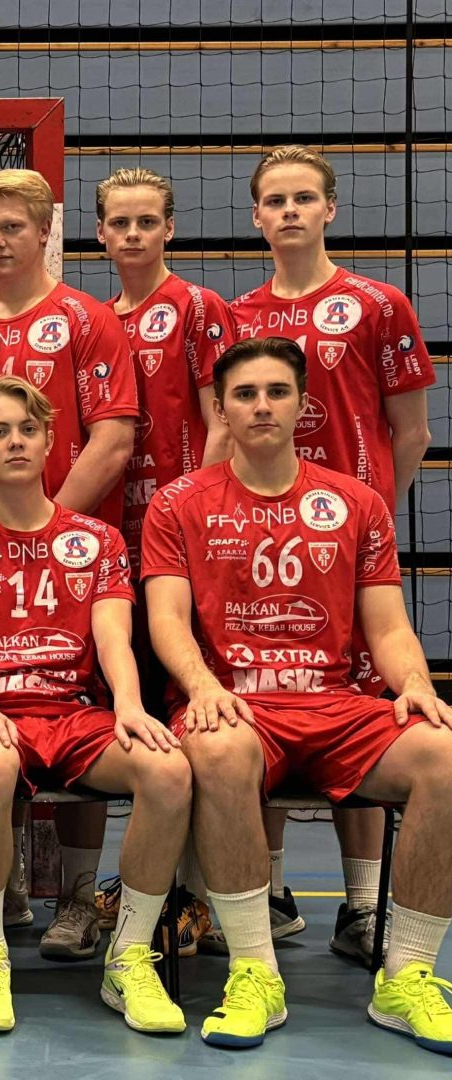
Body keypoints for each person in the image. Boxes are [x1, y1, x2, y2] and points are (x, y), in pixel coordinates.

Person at [144, 335, 452, 1054]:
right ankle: (255, 973)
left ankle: (407, 978)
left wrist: (415, 683)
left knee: (444, 755)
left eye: (277, 392)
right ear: (221, 409)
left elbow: (389, 627)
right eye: (245, 394)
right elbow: (166, 620)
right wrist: (201, 686)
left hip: (335, 705)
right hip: (237, 705)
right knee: (219, 751)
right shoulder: (178, 503)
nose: (262, 406)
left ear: (303, 405)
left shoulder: (356, 503)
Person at [0, 375, 190, 1035]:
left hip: (73, 712)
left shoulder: (97, 540)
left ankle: (129, 957)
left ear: (48, 441)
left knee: (167, 770)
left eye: (27, 430)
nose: (15, 442)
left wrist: (130, 705)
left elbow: (113, 637)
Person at [229, 145, 439, 966]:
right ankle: (272, 893)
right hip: (257, 545)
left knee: (362, 706)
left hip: (348, 547)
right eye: (275, 200)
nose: (289, 212)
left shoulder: (378, 304)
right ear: (256, 216)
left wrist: (364, 521)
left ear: (330, 210)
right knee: (263, 695)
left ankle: (360, 904)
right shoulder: (241, 316)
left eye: (303, 198)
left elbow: (412, 431)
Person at [0, 167, 138, 953]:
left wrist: (48, 533)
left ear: (45, 230)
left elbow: (114, 437)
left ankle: (79, 898)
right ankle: (6, 893)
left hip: (74, 560)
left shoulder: (87, 319)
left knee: (78, 705)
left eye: (11, 227)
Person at [91, 166, 235, 953]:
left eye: (148, 221)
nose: (134, 233)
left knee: (189, 711)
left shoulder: (198, 307)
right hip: (117, 540)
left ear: (170, 229)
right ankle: (139, 882)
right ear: (100, 233)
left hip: (182, 543)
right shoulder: (98, 319)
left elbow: (223, 421)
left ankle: (196, 892)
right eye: (121, 222)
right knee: (135, 712)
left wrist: (189, 514)